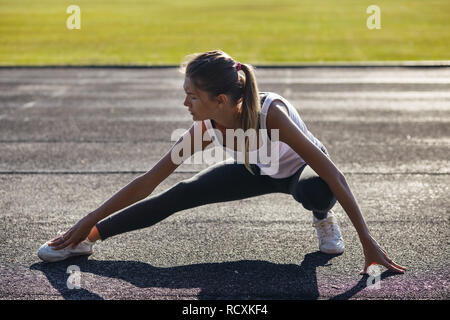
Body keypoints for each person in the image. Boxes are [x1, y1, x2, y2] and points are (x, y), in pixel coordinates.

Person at [38, 50, 406, 275]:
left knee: (315, 188)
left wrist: (368, 243)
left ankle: (323, 218)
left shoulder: (271, 114)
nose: (187, 105)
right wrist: (87, 223)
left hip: (299, 173)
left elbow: (332, 171)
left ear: (220, 99)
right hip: (257, 171)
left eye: (192, 97)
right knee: (182, 192)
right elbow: (149, 182)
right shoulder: (205, 126)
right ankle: (87, 241)